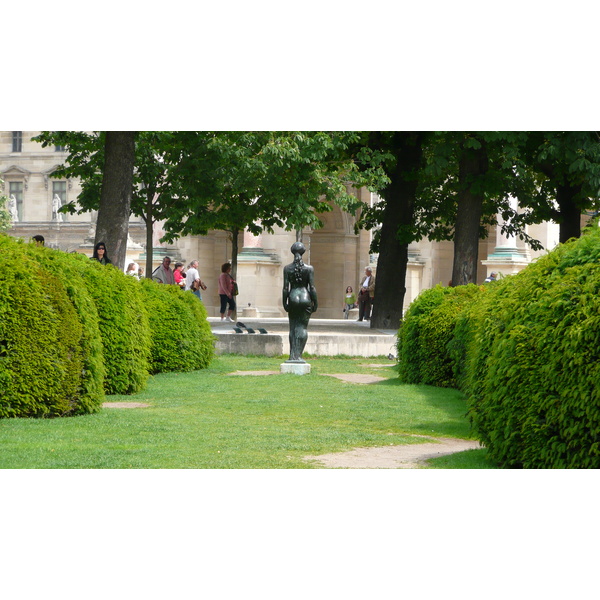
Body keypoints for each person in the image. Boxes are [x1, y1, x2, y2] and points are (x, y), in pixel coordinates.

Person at [282, 242, 318, 363]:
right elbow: (312, 288)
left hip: (292, 297)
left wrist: (284, 302)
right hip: (305, 297)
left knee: (292, 328)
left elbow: (285, 288)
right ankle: (298, 355)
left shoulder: (287, 268)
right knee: (302, 328)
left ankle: (292, 355)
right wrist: (315, 302)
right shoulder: (309, 269)